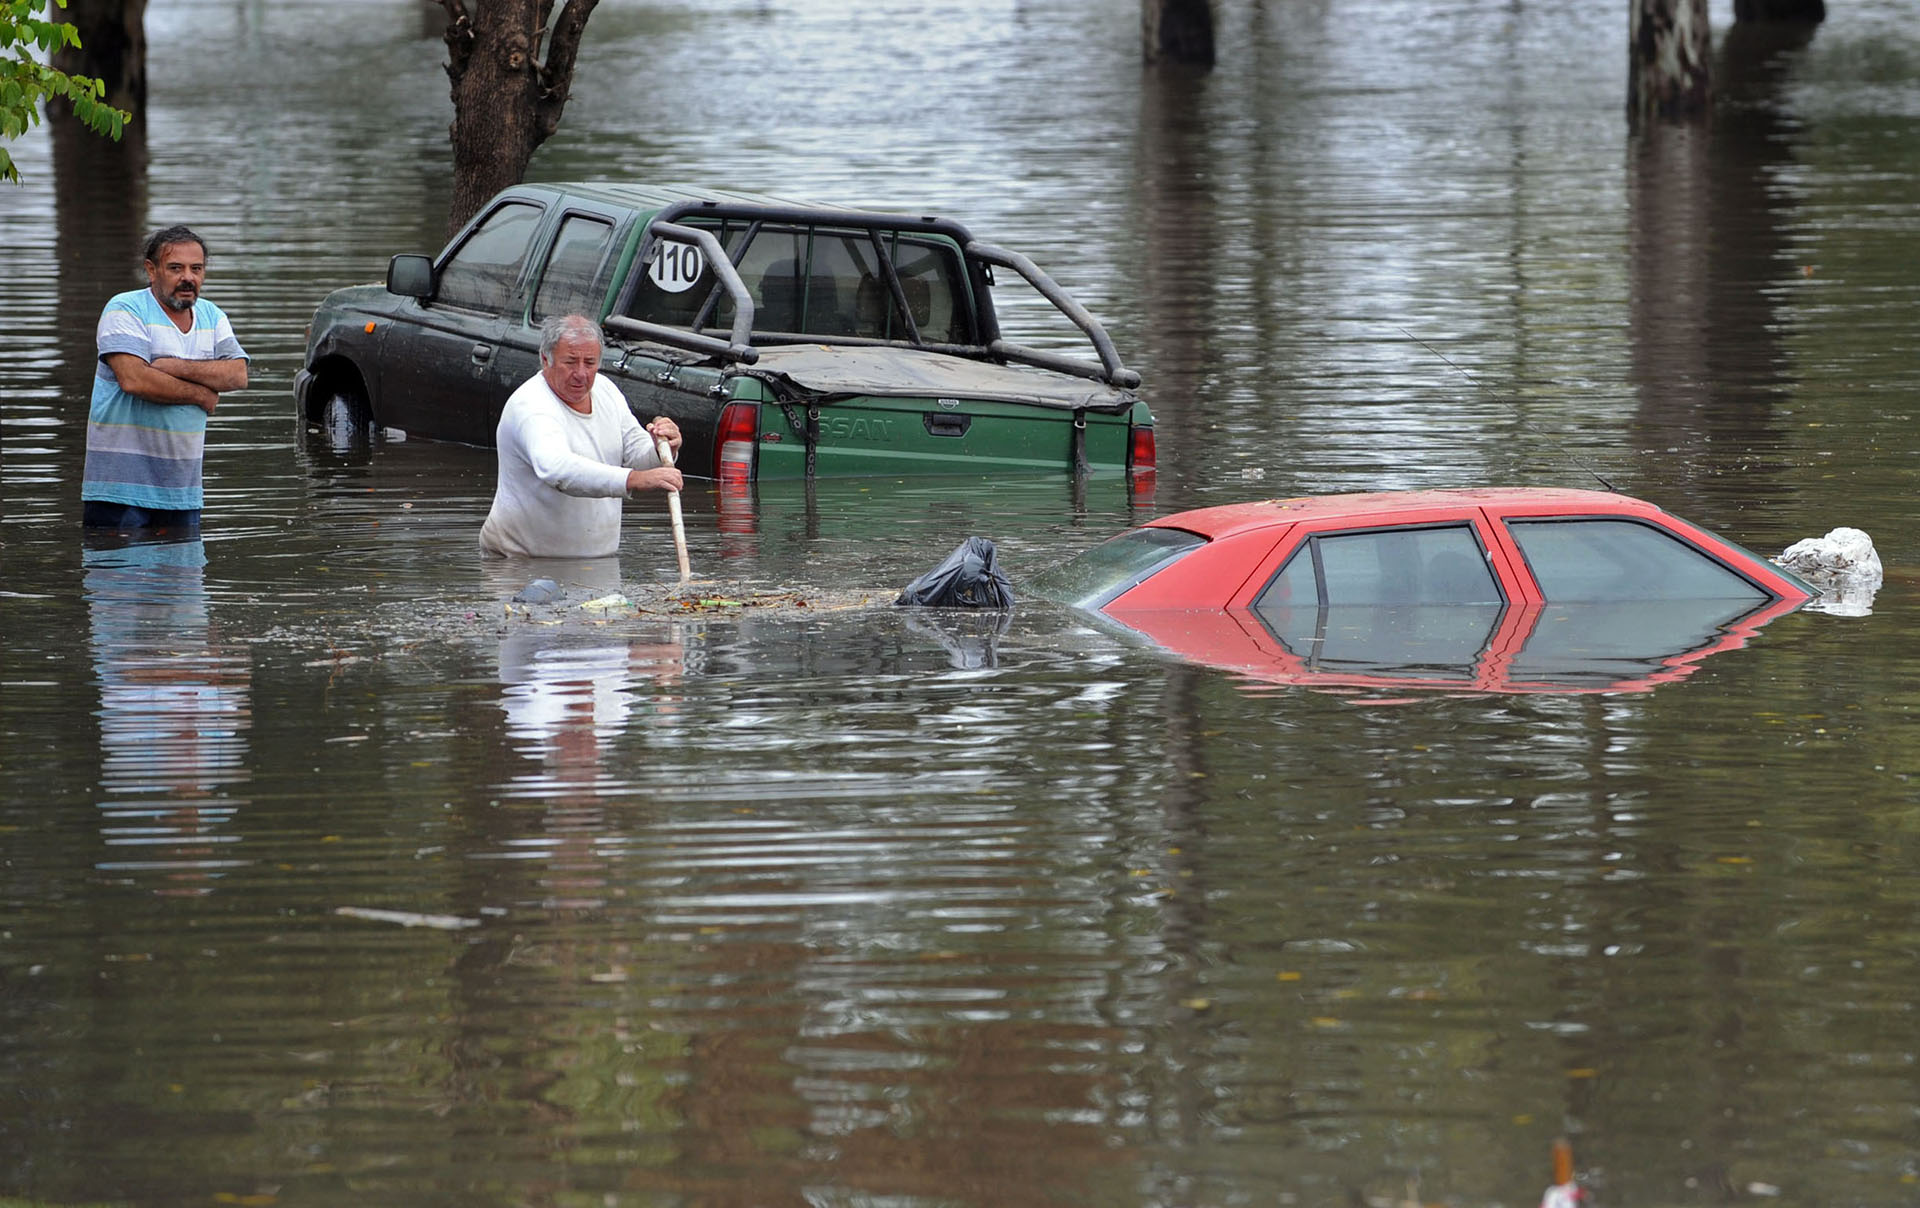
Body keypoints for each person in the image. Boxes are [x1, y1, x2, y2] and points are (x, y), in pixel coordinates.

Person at [82, 225, 250, 534]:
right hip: (120, 490)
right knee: (119, 578)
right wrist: (201, 395)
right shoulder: (125, 309)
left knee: (184, 582)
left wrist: (174, 366)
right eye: (176, 268)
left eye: (196, 269)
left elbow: (237, 374)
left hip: (182, 491)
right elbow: (135, 380)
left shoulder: (213, 317)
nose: (188, 277)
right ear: (152, 270)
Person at [479, 314, 684, 559]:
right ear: (546, 360)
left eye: (589, 363)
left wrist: (662, 448)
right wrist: (634, 479)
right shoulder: (531, 405)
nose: (581, 374)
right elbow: (557, 469)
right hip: (521, 562)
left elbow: (635, 453)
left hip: (597, 563)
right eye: (570, 361)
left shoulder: (606, 389)